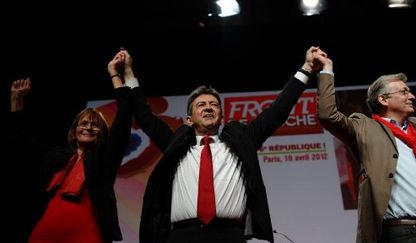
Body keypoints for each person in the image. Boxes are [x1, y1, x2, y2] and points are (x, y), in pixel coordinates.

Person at [117, 46, 323, 243]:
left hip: (230, 236)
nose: (208, 108)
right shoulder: (175, 145)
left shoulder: (241, 143)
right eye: (201, 105)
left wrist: (306, 69)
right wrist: (128, 74)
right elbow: (145, 117)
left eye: (213, 105)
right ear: (189, 119)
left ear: (221, 116)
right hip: (182, 236)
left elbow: (277, 111)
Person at [6, 49, 133, 243]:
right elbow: (21, 141)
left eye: (95, 125)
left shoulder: (105, 158)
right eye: (83, 123)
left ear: (102, 134)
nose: (88, 128)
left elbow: (124, 117)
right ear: (74, 131)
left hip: (87, 234)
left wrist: (115, 74)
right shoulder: (55, 157)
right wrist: (16, 99)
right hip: (44, 231)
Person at [314, 51, 416, 242]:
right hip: (405, 233)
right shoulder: (365, 128)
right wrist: (327, 70)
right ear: (383, 99)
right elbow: (328, 115)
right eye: (404, 92)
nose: (412, 96)